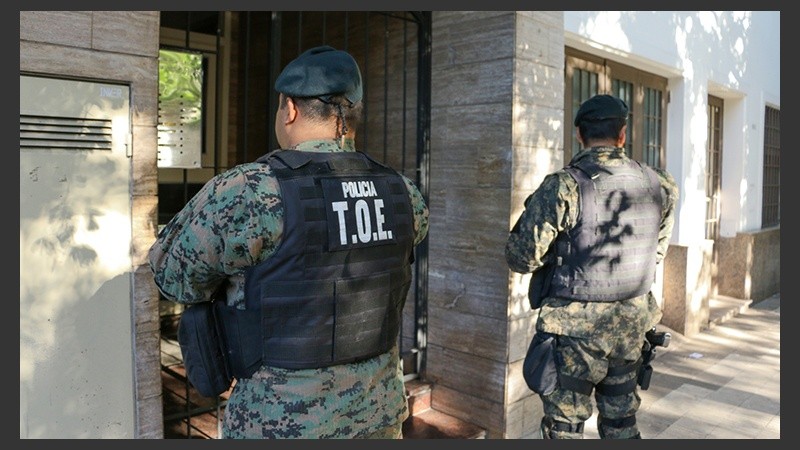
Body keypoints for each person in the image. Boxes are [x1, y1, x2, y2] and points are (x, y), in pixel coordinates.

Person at [149, 45, 429, 439]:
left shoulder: (248, 189)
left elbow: (172, 277)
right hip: (378, 417)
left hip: (279, 425)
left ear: (290, 110)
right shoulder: (403, 192)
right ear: (353, 114)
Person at [505, 94, 679, 439]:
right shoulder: (660, 184)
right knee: (621, 423)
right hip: (631, 330)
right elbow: (656, 253)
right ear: (623, 135)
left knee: (566, 428)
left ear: (579, 136)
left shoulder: (564, 186)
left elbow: (521, 257)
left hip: (574, 336)